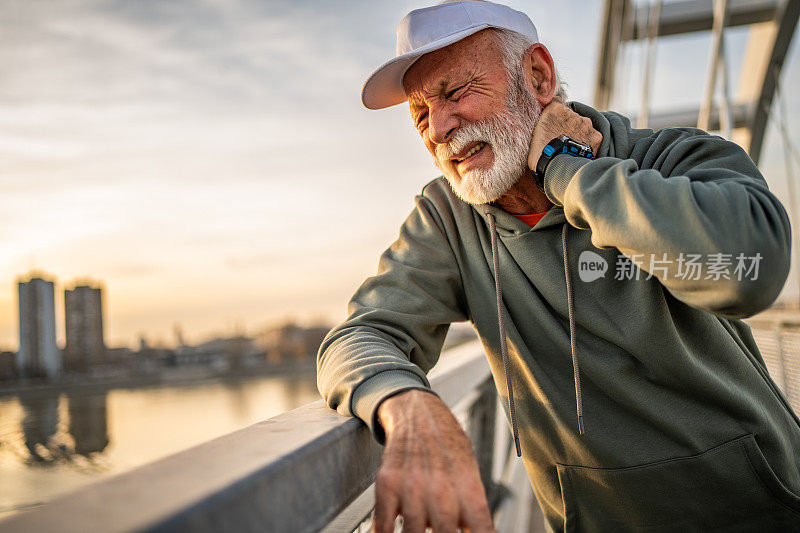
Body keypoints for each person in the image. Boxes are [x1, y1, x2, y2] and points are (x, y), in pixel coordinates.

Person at [316, 1, 800, 531]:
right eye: (421, 115)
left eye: (455, 93)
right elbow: (357, 336)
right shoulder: (448, 221)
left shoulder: (672, 157)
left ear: (538, 76)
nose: (438, 129)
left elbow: (748, 270)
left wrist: (566, 171)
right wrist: (407, 407)